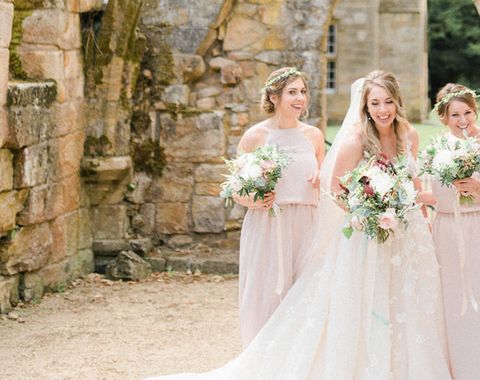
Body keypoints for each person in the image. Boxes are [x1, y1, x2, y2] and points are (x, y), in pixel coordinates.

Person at [147, 71, 451, 379]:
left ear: (397, 102)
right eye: (375, 103)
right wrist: (368, 212)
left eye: (388, 102)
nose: (382, 109)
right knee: (366, 300)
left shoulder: (408, 135)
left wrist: (418, 211)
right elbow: (335, 189)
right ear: (365, 106)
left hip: (406, 231)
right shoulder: (356, 140)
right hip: (368, 231)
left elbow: (411, 180)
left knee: (407, 298)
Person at [234, 67, 324, 347]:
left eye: (303, 92)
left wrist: (322, 179)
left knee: (305, 293)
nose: (300, 99)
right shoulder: (255, 136)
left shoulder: (314, 136)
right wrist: (253, 200)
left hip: (307, 225)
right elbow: (236, 188)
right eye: (292, 92)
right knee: (265, 293)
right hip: (268, 224)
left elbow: (326, 182)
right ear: (274, 97)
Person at [430, 83, 480, 380]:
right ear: (443, 117)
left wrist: (478, 187)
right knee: (450, 304)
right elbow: (437, 196)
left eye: (468, 113)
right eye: (455, 114)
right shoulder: (437, 146)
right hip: (445, 231)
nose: (463, 120)